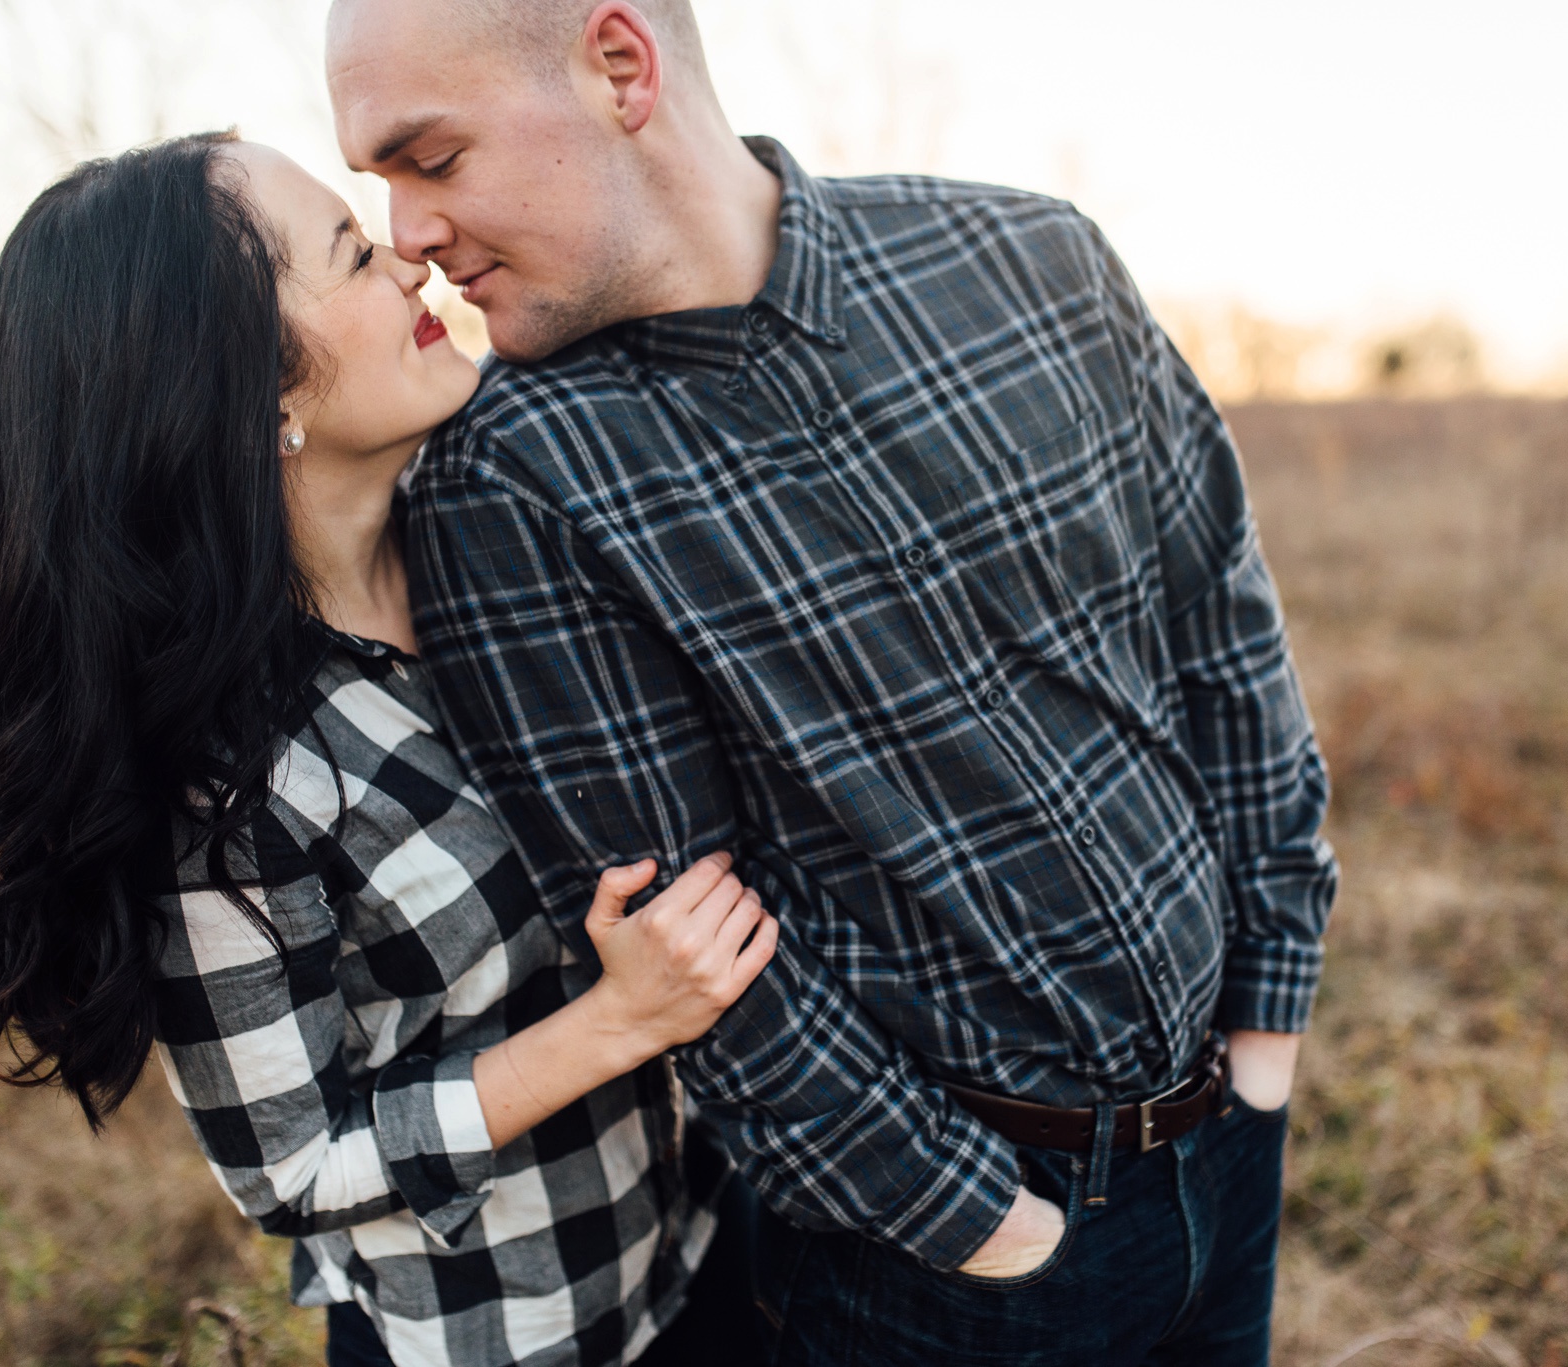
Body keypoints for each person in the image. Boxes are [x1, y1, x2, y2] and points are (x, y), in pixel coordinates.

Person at [325, 1, 1340, 1363]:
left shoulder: (1032, 257)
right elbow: (687, 936)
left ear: (620, 66)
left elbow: (1219, 625)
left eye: (430, 160)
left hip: (1225, 1144)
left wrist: (1268, 1018)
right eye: (377, 186)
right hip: (928, 1267)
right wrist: (981, 1220)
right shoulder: (518, 472)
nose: (407, 236)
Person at [0, 131, 778, 1367]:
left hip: (705, 1243)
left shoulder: (491, 548)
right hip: (513, 1335)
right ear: (246, 382)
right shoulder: (228, 775)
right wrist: (616, 1022)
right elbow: (293, 1167)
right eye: (354, 255)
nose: (413, 265)